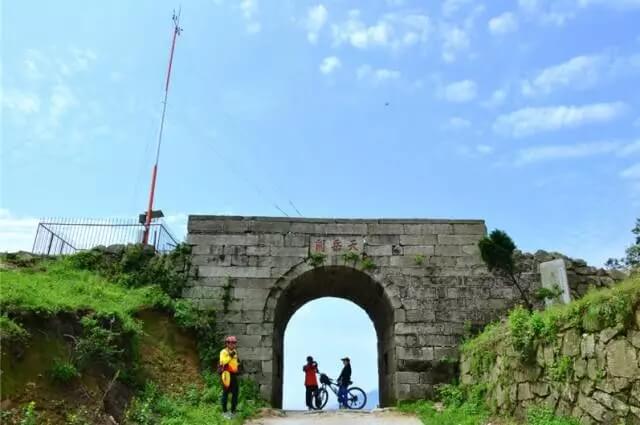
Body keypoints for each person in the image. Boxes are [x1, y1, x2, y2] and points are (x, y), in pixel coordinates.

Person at [219, 335, 240, 419]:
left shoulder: (235, 352)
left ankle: (233, 412)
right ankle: (224, 412)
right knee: (225, 393)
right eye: (230, 343)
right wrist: (230, 355)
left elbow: (236, 362)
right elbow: (223, 362)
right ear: (227, 343)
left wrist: (238, 366)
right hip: (226, 374)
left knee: (235, 393)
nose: (232, 344)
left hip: (233, 375)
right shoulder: (223, 352)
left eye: (234, 343)